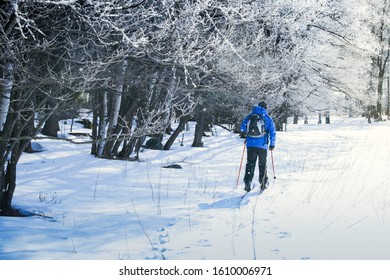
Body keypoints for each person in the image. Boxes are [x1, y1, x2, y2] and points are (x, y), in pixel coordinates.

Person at [240, 101, 276, 192]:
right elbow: (272, 133)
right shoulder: (267, 118)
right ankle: (263, 182)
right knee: (262, 164)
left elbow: (242, 128)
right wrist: (272, 144)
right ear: (265, 108)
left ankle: (248, 181)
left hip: (251, 144)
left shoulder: (250, 116)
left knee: (250, 163)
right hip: (262, 145)